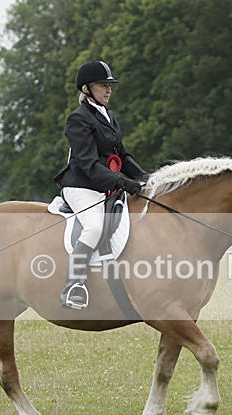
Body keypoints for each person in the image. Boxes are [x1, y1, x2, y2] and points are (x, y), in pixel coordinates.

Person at [54, 59, 147, 310]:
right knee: (94, 226)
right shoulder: (78, 119)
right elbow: (87, 163)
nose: (108, 90)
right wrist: (122, 182)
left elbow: (123, 156)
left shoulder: (109, 117)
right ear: (87, 89)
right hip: (81, 186)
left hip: (105, 186)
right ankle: (73, 286)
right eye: (102, 85)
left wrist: (146, 180)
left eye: (110, 85)